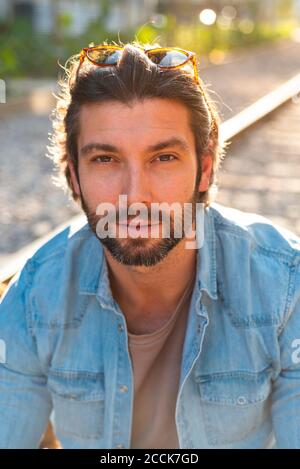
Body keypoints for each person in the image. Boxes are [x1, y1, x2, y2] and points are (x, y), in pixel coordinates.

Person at [0, 42, 299, 449]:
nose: (135, 195)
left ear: (204, 170)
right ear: (73, 177)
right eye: (106, 159)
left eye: (164, 158)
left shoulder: (284, 285)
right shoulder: (35, 295)